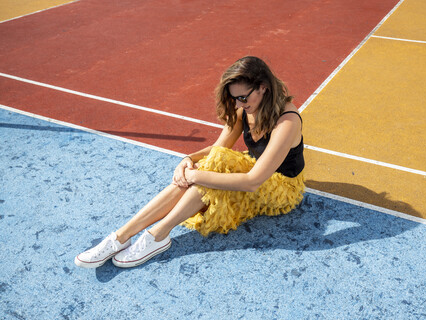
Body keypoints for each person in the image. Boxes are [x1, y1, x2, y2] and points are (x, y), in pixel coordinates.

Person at [74, 56, 305, 269]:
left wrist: (194, 175)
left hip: (280, 185)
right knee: (212, 162)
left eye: (243, 97)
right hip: (254, 170)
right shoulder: (245, 109)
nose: (239, 103)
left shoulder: (287, 120)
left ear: (263, 87)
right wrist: (187, 160)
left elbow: (253, 181)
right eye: (235, 98)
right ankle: (121, 237)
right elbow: (217, 149)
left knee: (210, 169)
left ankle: (159, 233)